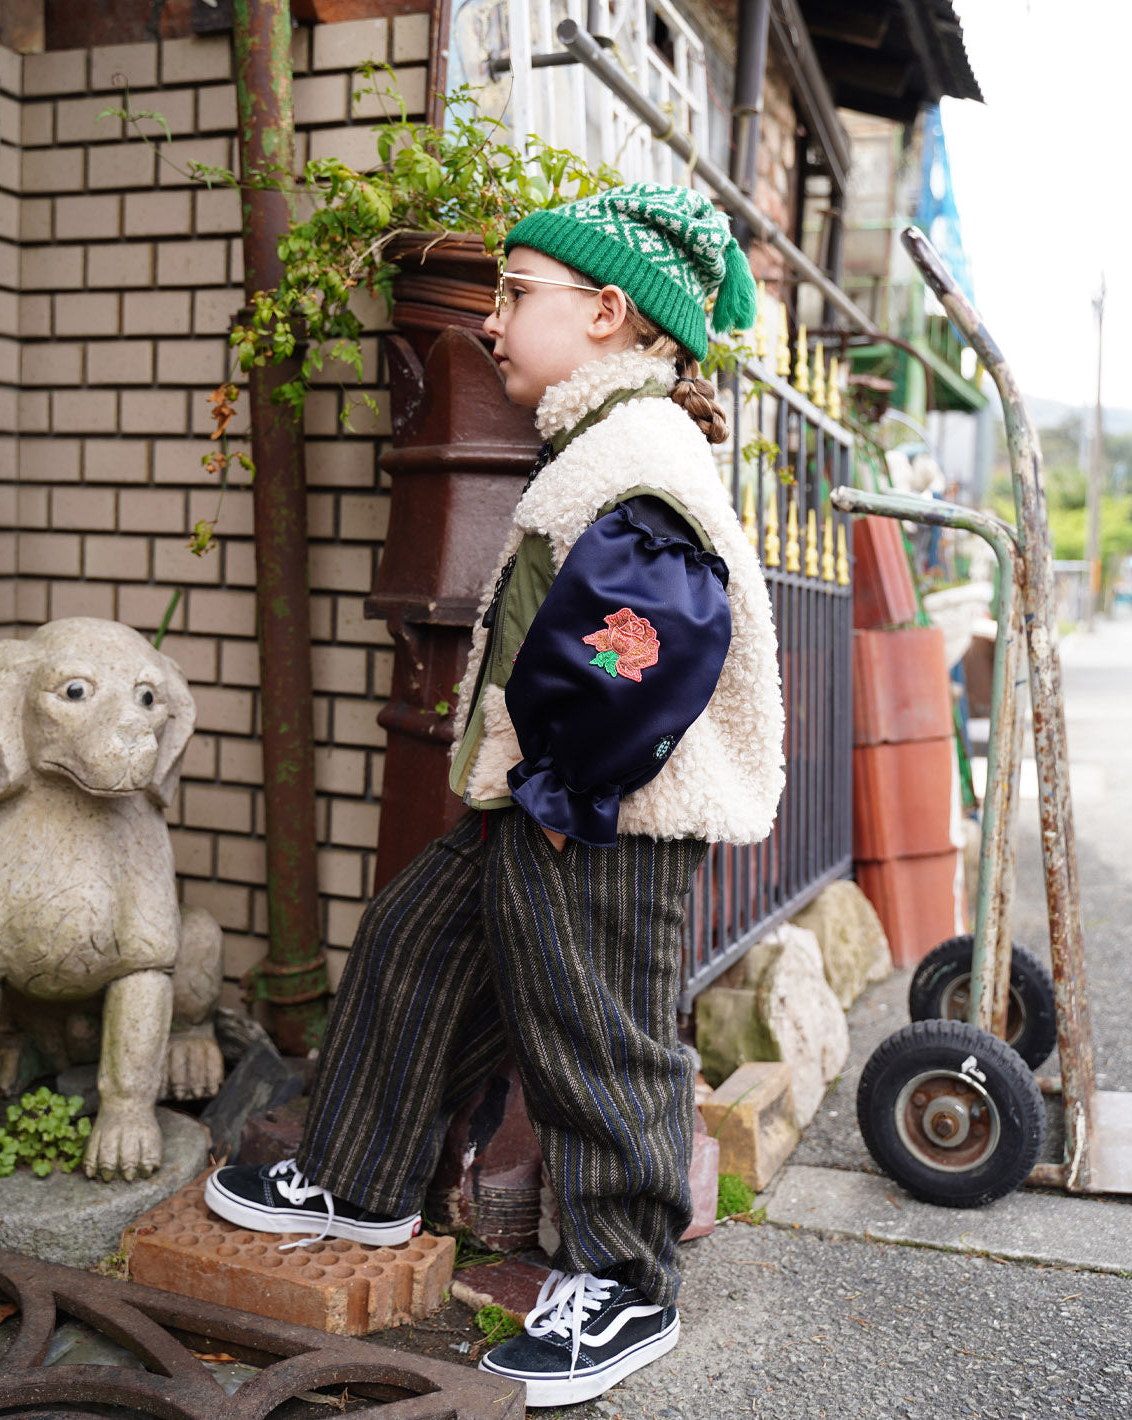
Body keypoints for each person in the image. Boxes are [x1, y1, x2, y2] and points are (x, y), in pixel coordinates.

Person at [203, 182, 785, 1408]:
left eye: (518, 296)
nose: (490, 321)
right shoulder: (594, 440)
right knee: (416, 949)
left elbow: (649, 636)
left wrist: (565, 777)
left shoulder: (639, 455)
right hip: (537, 796)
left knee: (594, 1032)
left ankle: (621, 1282)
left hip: (598, 814)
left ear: (611, 315)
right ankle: (358, 1179)